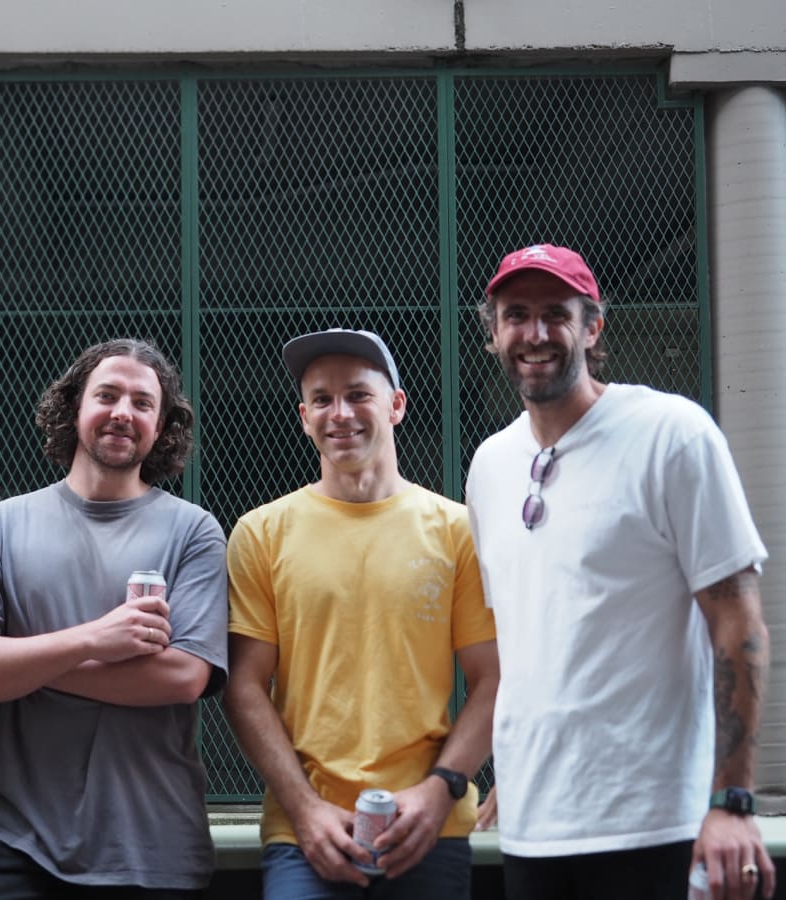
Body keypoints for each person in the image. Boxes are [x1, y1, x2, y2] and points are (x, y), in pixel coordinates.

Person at [465, 244, 776, 900]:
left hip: (657, 824)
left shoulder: (672, 434)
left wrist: (733, 800)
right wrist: (516, 774)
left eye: (557, 314)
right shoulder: (490, 465)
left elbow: (738, 622)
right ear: (492, 331)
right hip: (534, 826)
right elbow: (532, 639)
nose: (536, 332)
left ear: (593, 326)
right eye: (515, 314)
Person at [0, 338, 229, 898]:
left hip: (150, 847)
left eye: (143, 403)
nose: (123, 412)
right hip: (14, 842)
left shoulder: (195, 532)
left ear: (163, 427)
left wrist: (22, 660)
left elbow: (182, 678)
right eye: (108, 395)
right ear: (75, 407)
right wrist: (96, 638)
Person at [223, 328, 500, 899]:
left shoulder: (457, 531)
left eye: (358, 394)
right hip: (306, 836)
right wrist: (305, 810)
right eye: (321, 399)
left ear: (396, 405)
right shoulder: (261, 533)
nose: (339, 413)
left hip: (429, 828)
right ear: (303, 417)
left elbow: (494, 678)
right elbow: (245, 686)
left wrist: (440, 790)